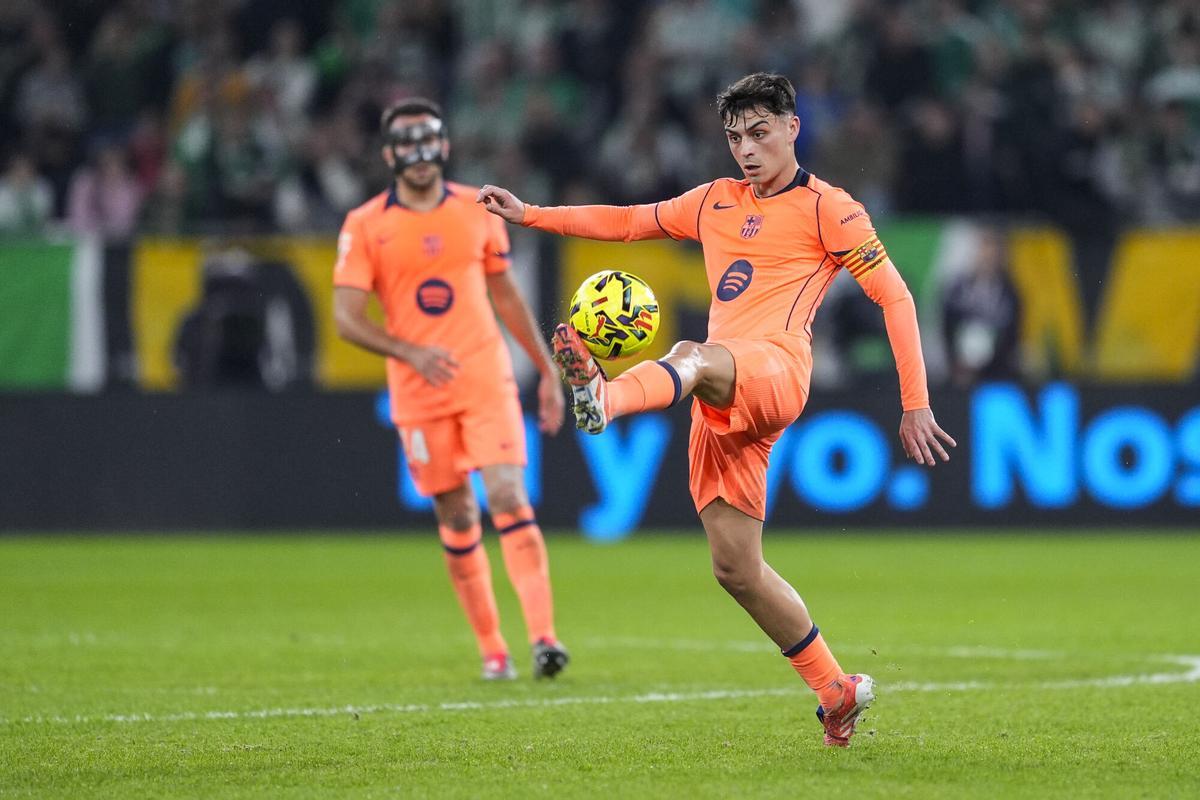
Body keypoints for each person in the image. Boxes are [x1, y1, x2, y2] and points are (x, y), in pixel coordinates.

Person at [479, 72, 955, 745]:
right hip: (721, 396)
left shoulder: (832, 208)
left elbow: (896, 297)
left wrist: (915, 404)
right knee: (735, 568)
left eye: (759, 132)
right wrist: (533, 215)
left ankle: (602, 399)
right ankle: (835, 690)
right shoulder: (714, 202)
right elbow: (629, 222)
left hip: (776, 368)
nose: (746, 149)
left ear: (793, 127)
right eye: (735, 137)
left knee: (690, 351)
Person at [333, 98, 569, 681]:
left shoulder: (477, 208)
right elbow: (346, 317)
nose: (418, 153)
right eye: (405, 143)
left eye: (427, 139)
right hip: (418, 392)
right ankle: (494, 649)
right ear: (389, 154)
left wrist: (545, 370)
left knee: (509, 494)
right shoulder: (365, 224)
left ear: (443, 145)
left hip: (486, 376)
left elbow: (507, 295)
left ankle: (544, 638)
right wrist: (409, 350)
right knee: (457, 511)